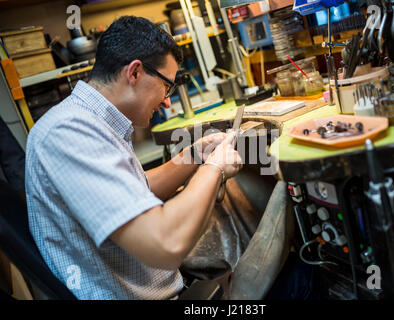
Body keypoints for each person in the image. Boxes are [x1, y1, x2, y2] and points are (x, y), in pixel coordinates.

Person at [25, 16, 243, 300]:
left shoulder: (93, 120)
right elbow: (165, 243)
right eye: (167, 86)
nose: (167, 101)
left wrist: (194, 155)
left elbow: (132, 190)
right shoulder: (67, 133)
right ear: (135, 73)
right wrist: (214, 168)